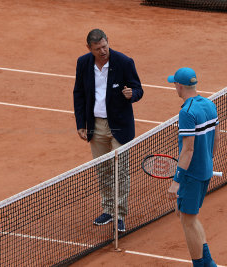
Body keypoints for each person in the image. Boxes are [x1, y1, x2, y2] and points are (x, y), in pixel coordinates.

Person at [73, 29, 143, 232]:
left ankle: (120, 215)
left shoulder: (124, 62)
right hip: (96, 125)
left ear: (107, 42)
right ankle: (108, 209)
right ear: (89, 48)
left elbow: (138, 89)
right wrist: (81, 123)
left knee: (120, 172)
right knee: (103, 170)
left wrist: (133, 94)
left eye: (104, 46)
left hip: (120, 125)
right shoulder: (83, 63)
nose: (103, 51)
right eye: (98, 49)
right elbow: (79, 93)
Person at [167, 67, 219, 267]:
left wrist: (176, 182)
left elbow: (188, 150)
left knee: (188, 221)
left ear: (179, 86)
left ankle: (201, 264)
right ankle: (208, 262)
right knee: (188, 216)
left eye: (175, 84)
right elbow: (217, 136)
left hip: (192, 175)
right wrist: (209, 159)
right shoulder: (209, 104)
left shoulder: (186, 112)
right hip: (205, 170)